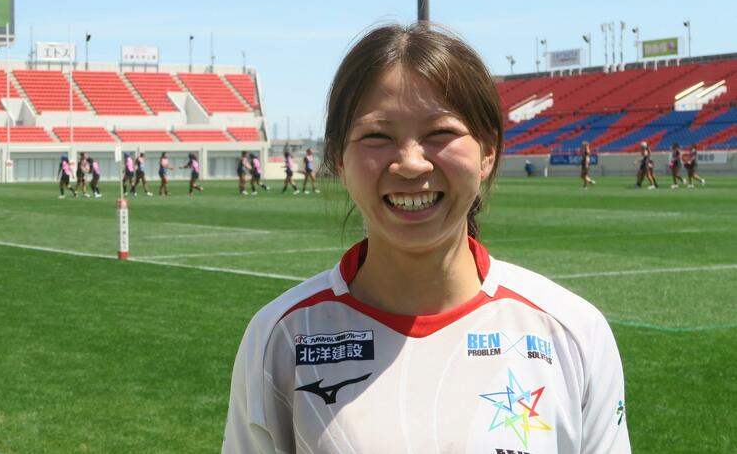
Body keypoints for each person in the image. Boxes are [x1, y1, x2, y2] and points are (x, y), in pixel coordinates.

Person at [223, 24, 630, 453]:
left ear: (487, 151)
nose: (411, 163)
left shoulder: (571, 332)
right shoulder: (282, 337)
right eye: (377, 136)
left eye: (441, 134)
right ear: (337, 159)